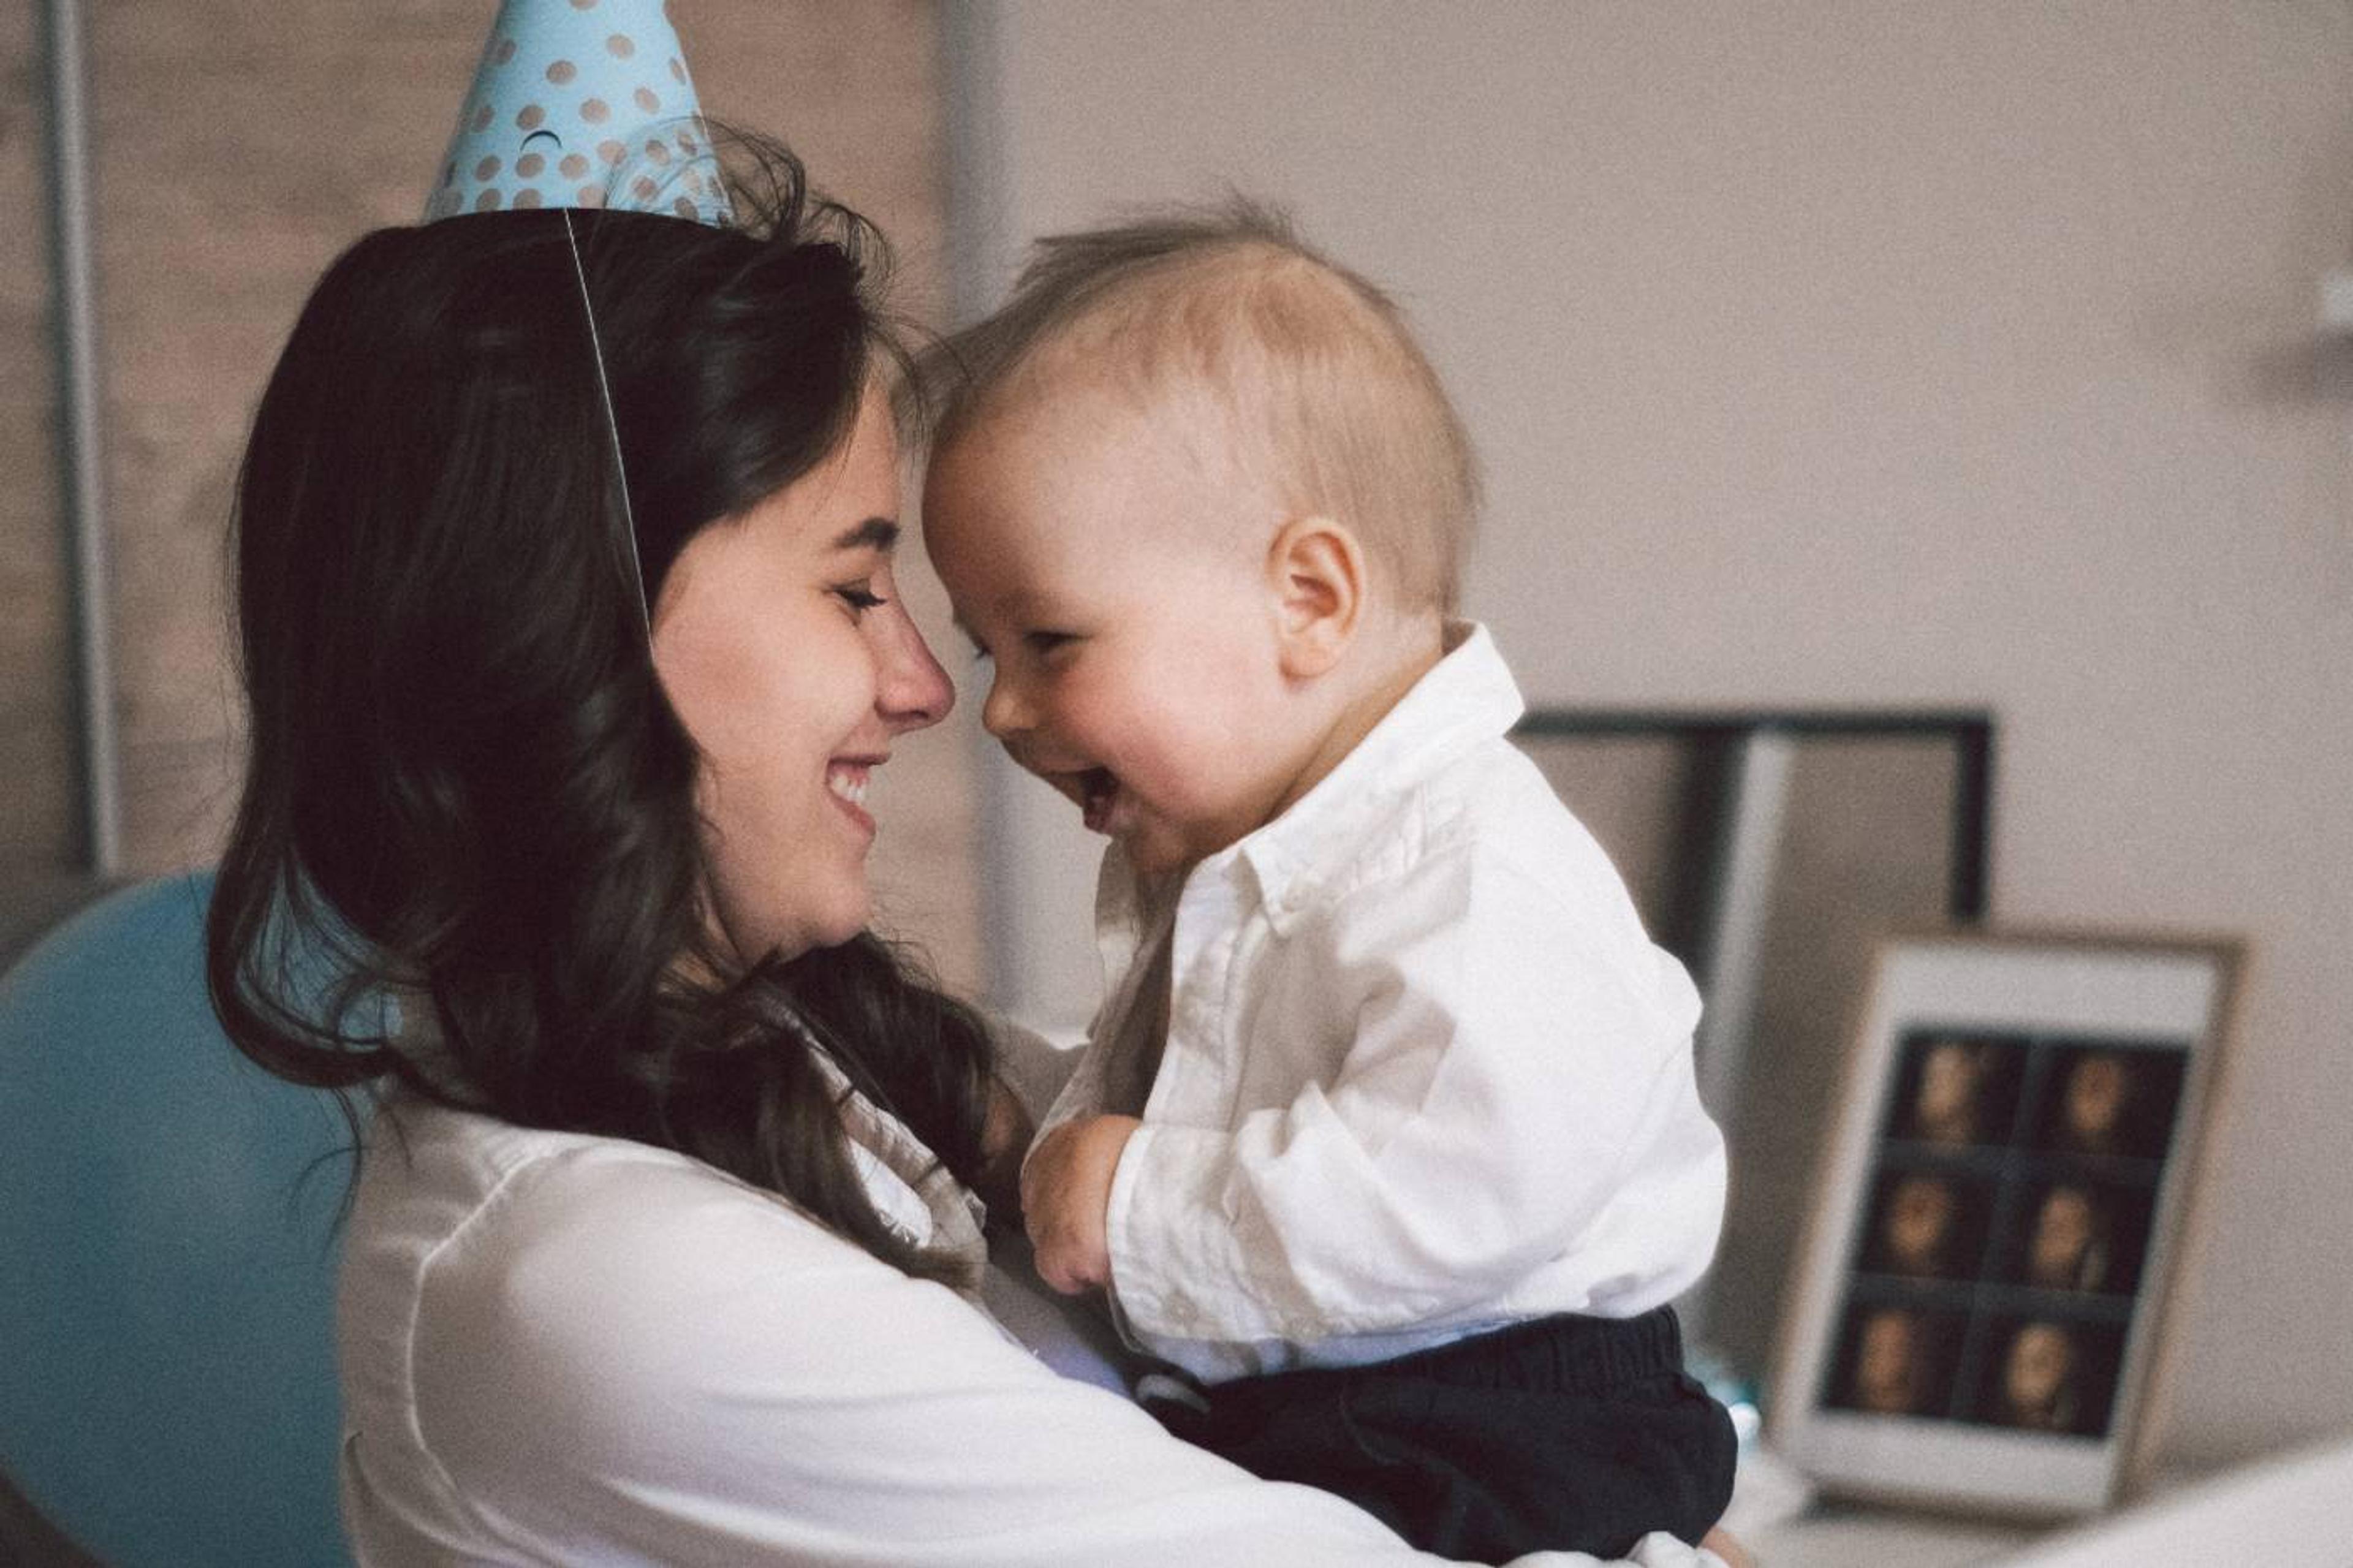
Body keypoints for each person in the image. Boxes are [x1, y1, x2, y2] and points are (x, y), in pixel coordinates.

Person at [203, 132, 1740, 1566]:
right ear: (578, 629)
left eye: (1037, 636)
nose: (942, 692)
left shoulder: (812, 1061)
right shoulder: (601, 1290)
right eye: (856, 589)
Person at [920, 203, 1736, 1562]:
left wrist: (1140, 1206)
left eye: (1049, 640)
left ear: (1309, 597)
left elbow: (1448, 1191)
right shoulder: (1243, 855)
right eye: (987, 648)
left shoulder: (1474, 872)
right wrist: (1036, 1128)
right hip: (1341, 1399)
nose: (998, 711)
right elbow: (1197, 1103)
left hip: (1504, 1425)